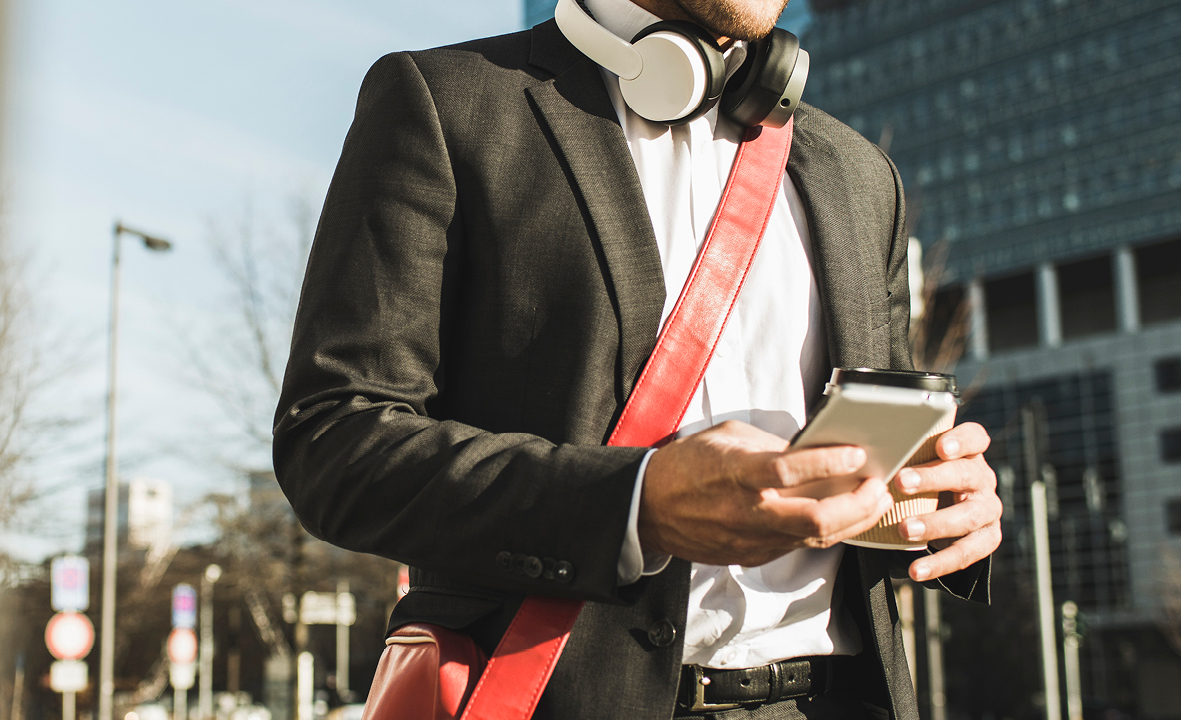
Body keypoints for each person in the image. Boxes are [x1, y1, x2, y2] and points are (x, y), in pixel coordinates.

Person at [273, 0, 1003, 716]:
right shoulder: (445, 101)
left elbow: (884, 469)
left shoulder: (863, 174)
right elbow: (334, 438)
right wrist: (636, 505)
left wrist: (940, 504)